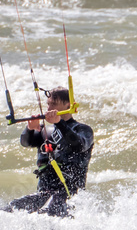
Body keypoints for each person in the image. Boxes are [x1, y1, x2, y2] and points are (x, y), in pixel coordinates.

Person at [5, 86, 93, 217]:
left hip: (70, 196)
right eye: (48, 104)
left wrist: (59, 123)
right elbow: (26, 142)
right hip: (44, 195)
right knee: (9, 209)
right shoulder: (44, 131)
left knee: (51, 208)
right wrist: (30, 128)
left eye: (54, 104)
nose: (49, 108)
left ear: (68, 105)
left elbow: (79, 145)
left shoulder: (82, 129)